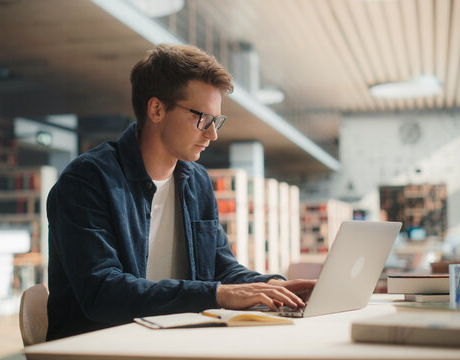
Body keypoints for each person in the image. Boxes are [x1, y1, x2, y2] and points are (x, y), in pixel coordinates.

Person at [46, 44, 315, 341]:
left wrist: (275, 286)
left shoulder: (196, 181)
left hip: (172, 342)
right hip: (100, 346)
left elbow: (222, 269)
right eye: (202, 117)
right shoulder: (87, 180)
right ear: (157, 109)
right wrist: (218, 294)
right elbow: (102, 292)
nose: (212, 134)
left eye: (216, 120)